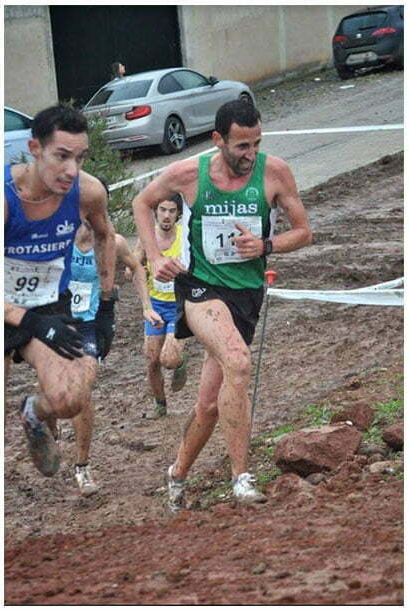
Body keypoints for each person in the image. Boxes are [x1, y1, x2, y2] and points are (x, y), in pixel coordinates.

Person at [133, 99, 312, 510]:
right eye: (241, 147)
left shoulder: (275, 172)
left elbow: (304, 232)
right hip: (201, 290)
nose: (250, 155)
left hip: (246, 296)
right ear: (218, 140)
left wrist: (265, 245)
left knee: (210, 404)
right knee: (239, 361)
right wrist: (156, 258)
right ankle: (241, 479)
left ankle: (176, 474)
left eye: (256, 144)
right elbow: (140, 203)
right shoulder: (188, 174)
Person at [4, 103, 117, 480]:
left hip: (49, 302)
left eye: (80, 158)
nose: (72, 170)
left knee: (72, 398)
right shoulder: (5, 200)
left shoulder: (87, 193)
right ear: (35, 149)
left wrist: (107, 303)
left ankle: (34, 411)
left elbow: (105, 235)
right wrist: (30, 323)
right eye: (62, 156)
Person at [69, 210, 144, 495]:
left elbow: (137, 267)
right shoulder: (60, 237)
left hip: (89, 324)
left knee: (83, 389)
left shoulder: (114, 242)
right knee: (53, 394)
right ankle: (44, 420)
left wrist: (146, 306)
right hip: (55, 320)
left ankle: (82, 467)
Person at [128, 194, 187, 419]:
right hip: (155, 305)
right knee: (152, 358)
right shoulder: (147, 237)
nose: (166, 215)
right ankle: (160, 405)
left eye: (172, 211)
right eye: (162, 210)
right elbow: (134, 264)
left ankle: (180, 362)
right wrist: (133, 267)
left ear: (178, 214)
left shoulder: (184, 236)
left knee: (168, 359)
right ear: (155, 212)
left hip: (180, 305)